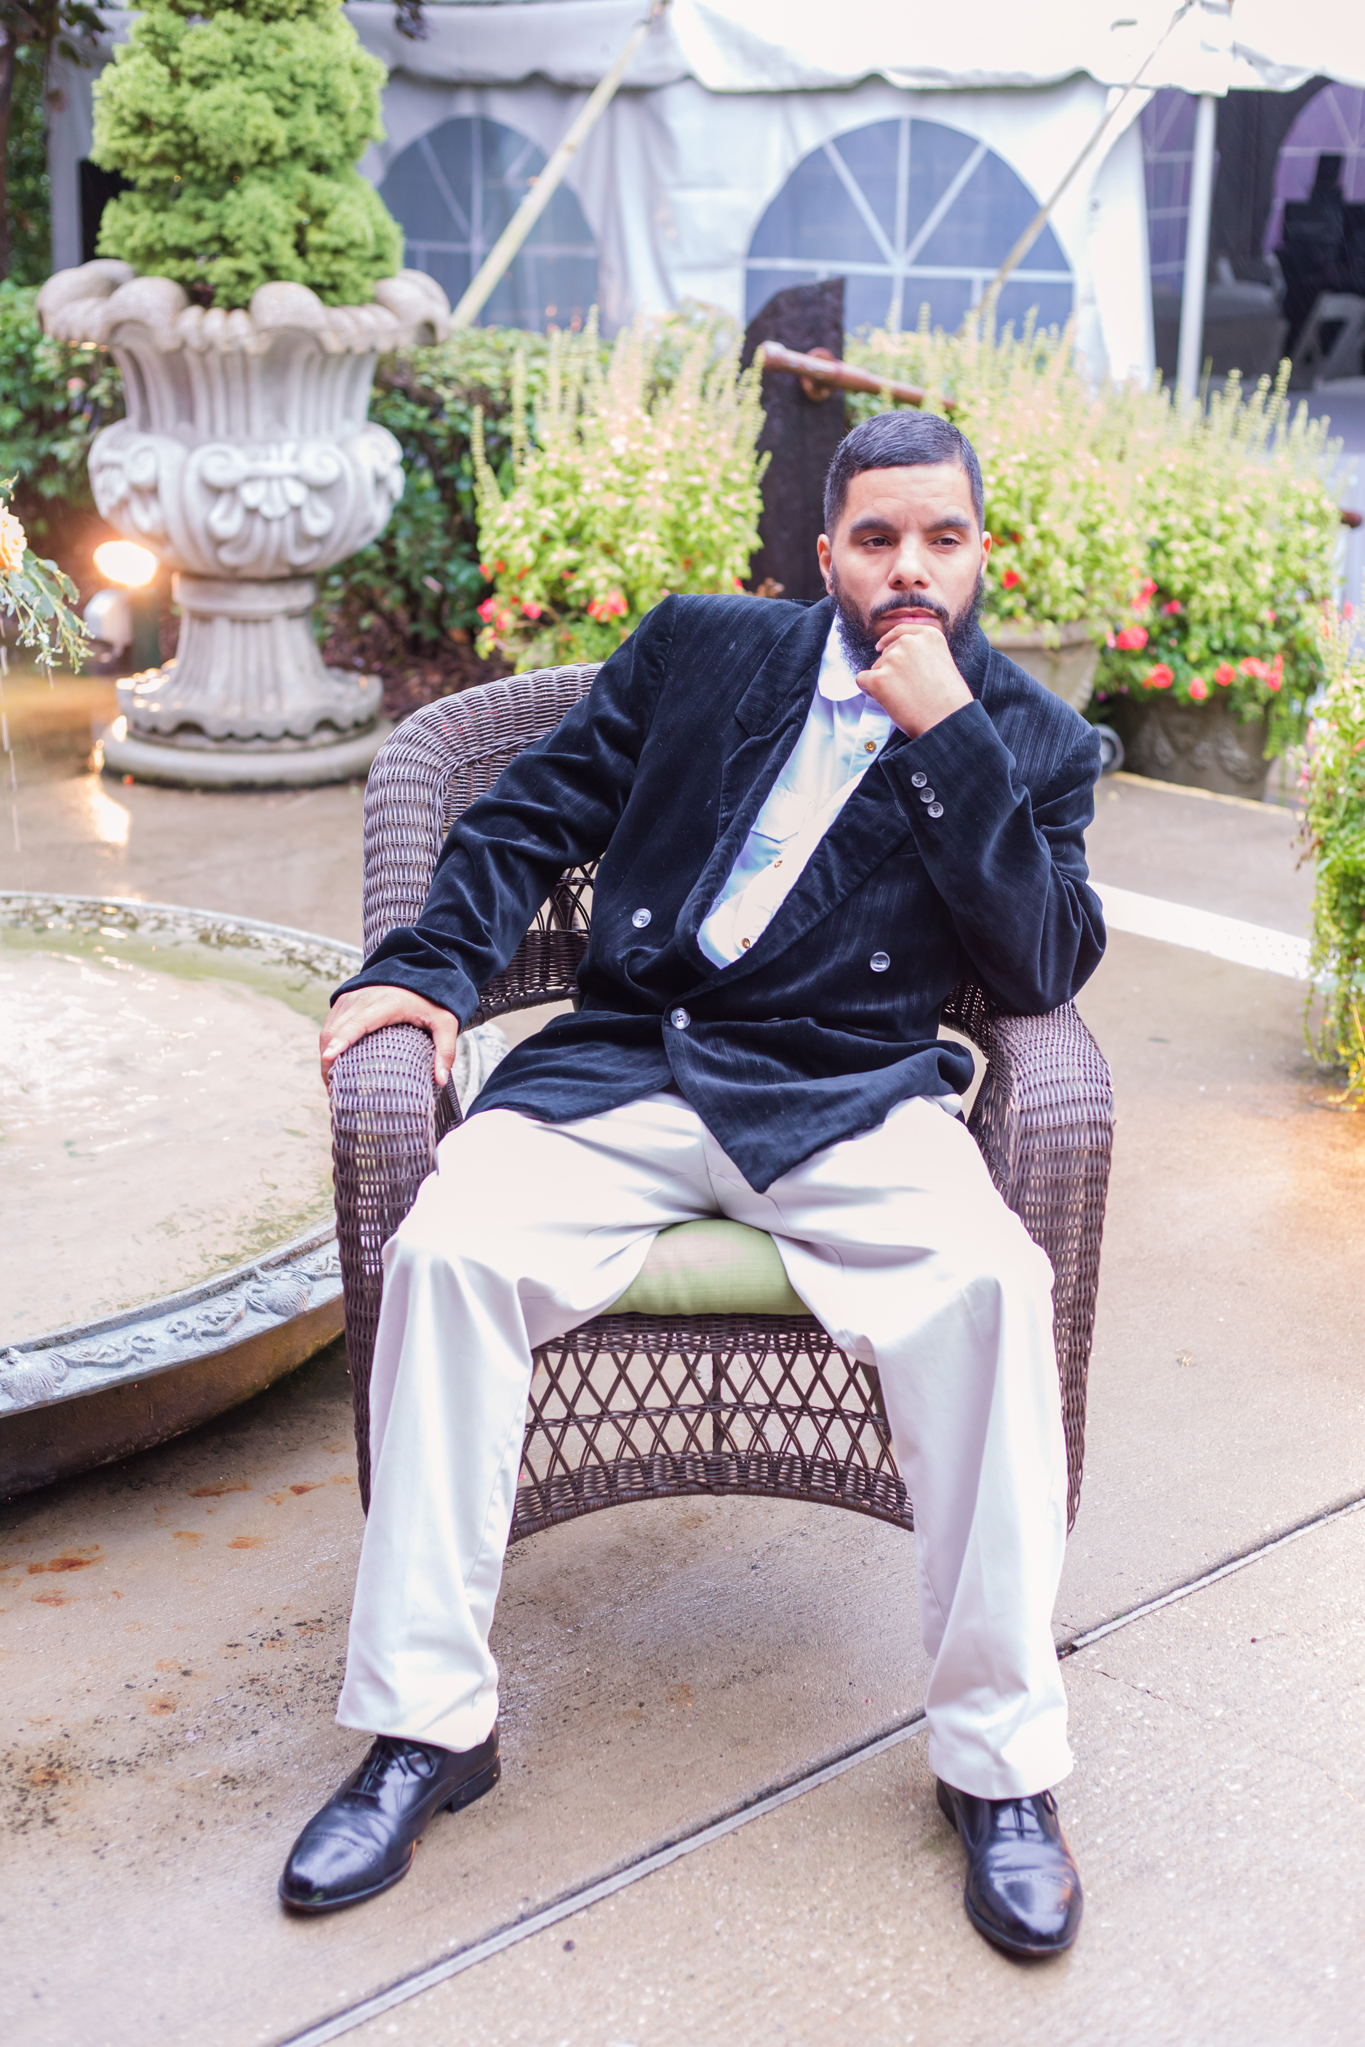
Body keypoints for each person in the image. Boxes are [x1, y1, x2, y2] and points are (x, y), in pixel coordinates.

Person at [279, 410, 1105, 1959]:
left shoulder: (1032, 740)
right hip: (630, 1064)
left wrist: (951, 740)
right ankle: (423, 1728)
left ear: (979, 553)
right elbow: (525, 816)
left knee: (993, 1289)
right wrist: (430, 973)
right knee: (448, 1254)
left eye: (940, 538)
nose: (908, 568)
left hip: (846, 1094)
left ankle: (997, 1770)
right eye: (877, 538)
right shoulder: (702, 648)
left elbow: (1039, 966)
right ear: (825, 551)